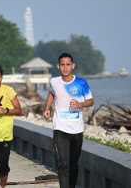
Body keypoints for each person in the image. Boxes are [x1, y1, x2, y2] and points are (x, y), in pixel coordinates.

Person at [43, 53, 94, 188]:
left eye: (68, 64)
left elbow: (91, 101)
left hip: (77, 129)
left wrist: (80, 104)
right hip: (60, 128)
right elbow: (52, 94)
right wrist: (47, 108)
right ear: (58, 66)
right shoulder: (54, 81)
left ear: (73, 66)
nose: (65, 68)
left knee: (73, 164)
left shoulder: (81, 83)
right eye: (62, 65)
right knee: (63, 163)